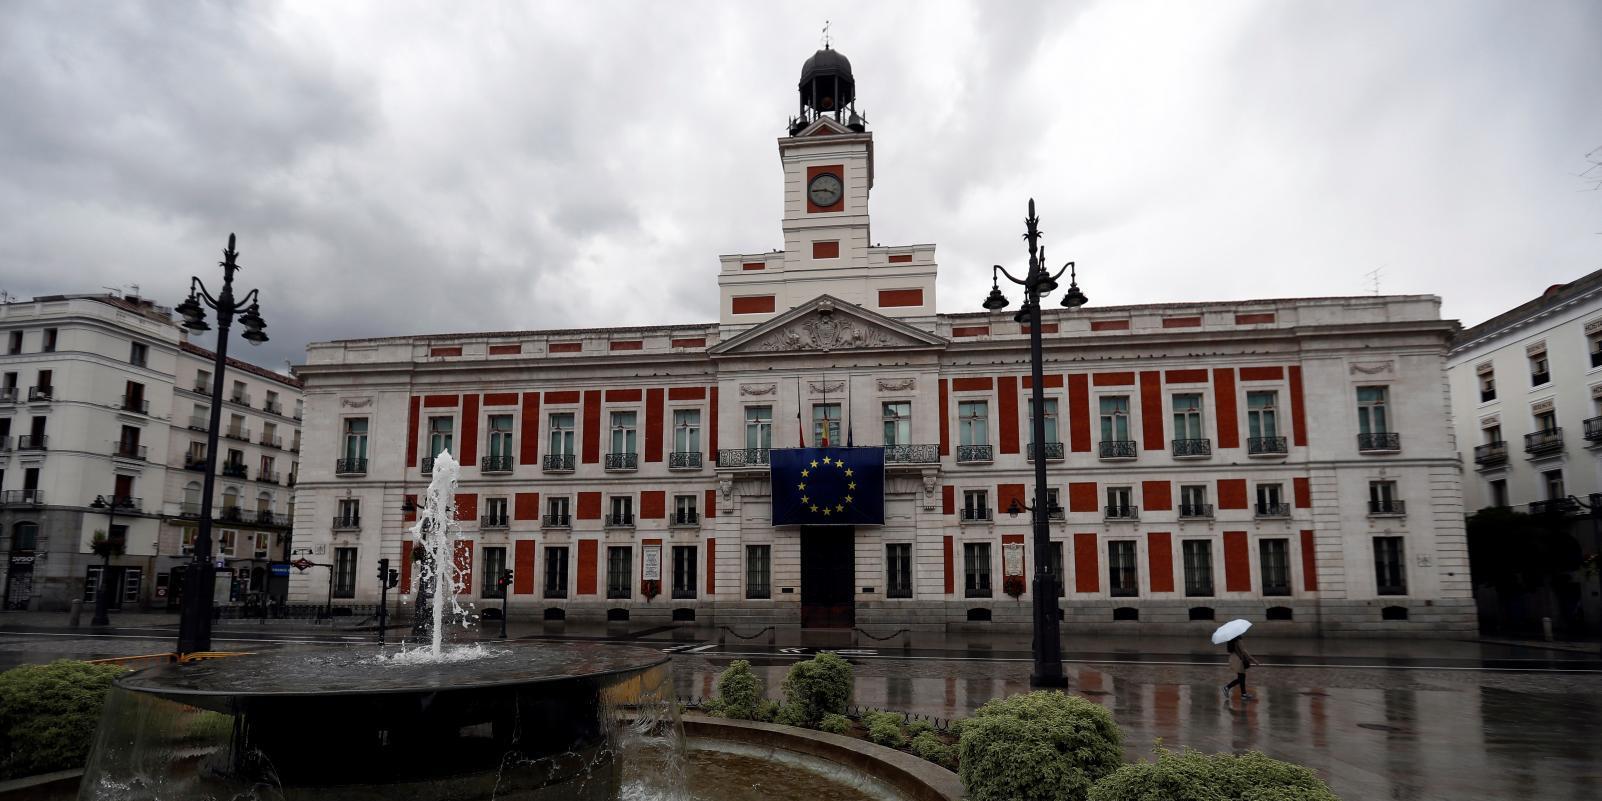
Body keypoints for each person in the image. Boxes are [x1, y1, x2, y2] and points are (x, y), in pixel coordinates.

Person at [1223, 637, 1259, 702]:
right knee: (1241, 677)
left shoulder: (1232, 639)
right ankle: (1227, 688)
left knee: (1241, 677)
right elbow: (1243, 651)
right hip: (1238, 659)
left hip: (1234, 658)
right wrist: (1253, 660)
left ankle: (1243, 694)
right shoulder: (1238, 639)